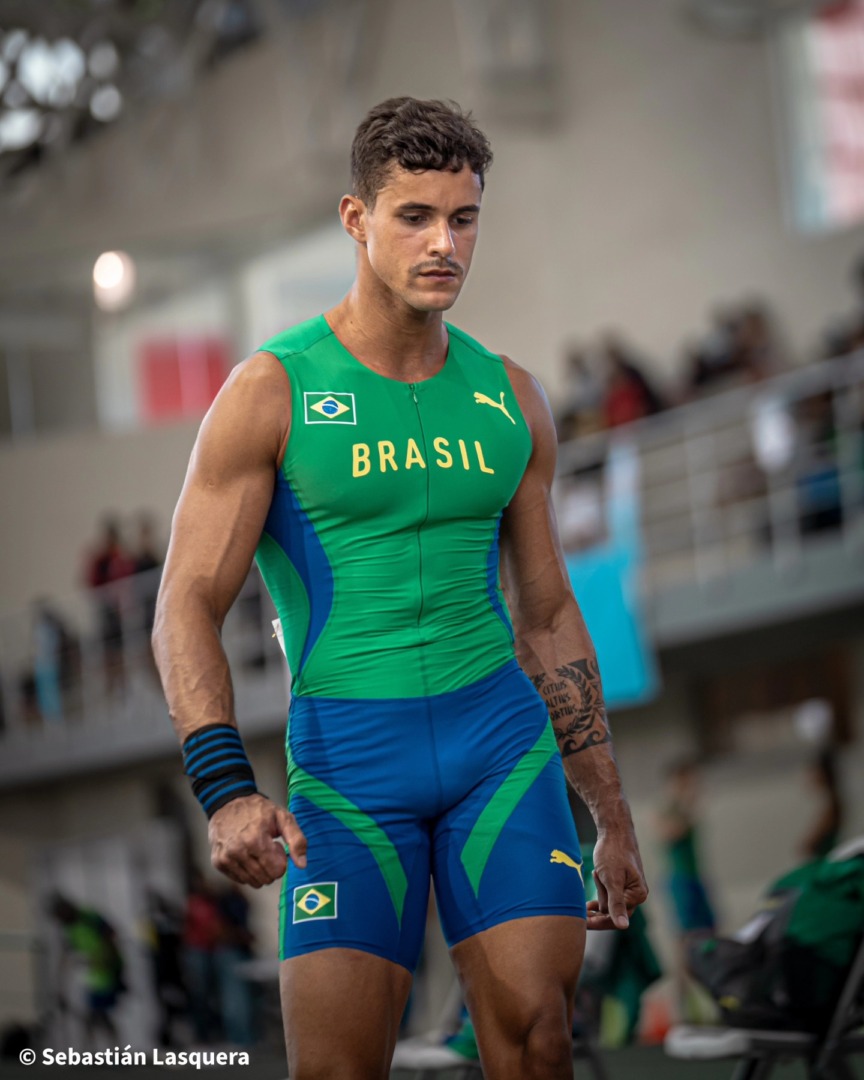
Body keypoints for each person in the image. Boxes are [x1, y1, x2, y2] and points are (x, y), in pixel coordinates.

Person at [153, 96, 647, 1080]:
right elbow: (184, 605)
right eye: (414, 216)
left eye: (462, 218)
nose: (444, 243)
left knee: (541, 1039)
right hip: (347, 771)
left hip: (499, 753)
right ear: (355, 218)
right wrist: (224, 793)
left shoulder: (511, 396)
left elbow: (547, 615)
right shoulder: (273, 389)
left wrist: (613, 815)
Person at [49, 894, 126, 1047]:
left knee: (99, 1014)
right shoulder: (68, 928)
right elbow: (66, 953)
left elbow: (112, 934)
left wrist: (111, 962)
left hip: (104, 972)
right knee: (91, 1016)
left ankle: (113, 1051)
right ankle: (92, 1052)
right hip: (88, 974)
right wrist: (59, 983)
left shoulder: (89, 917)